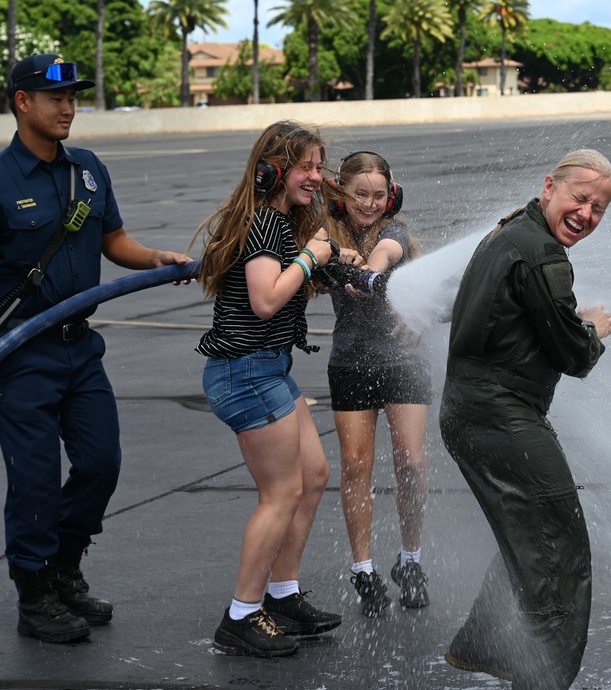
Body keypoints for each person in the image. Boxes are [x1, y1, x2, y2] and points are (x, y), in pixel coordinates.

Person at [0, 54, 192, 644]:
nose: (68, 107)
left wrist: (155, 257)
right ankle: (35, 595)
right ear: (22, 103)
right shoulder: (2, 180)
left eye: (74, 97)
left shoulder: (87, 169)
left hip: (81, 349)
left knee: (101, 463)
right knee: (34, 479)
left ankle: (64, 567)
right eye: (54, 97)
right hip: (22, 357)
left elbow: (113, 240)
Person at [438, 149, 611, 688]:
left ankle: (486, 642)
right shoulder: (542, 255)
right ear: (550, 187)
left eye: (599, 209)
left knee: (530, 536)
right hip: (498, 416)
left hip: (472, 412)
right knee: (559, 547)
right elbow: (572, 354)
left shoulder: (510, 231)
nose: (586, 214)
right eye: (580, 198)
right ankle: (542, 677)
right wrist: (593, 329)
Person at [194, 120, 357, 657]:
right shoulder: (265, 223)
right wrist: (313, 256)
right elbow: (266, 300)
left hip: (267, 368)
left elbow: (284, 288)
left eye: (318, 165)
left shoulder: (276, 223)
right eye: (305, 166)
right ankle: (241, 616)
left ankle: (282, 596)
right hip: (246, 372)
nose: (316, 176)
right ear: (273, 171)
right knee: (281, 492)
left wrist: (330, 264)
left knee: (313, 476)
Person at [323, 151, 431, 617]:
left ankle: (411, 561)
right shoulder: (326, 238)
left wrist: (370, 270)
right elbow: (318, 260)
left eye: (379, 195)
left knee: (412, 459)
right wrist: (337, 259)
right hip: (350, 363)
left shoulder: (396, 232)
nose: (370, 203)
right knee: (355, 466)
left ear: (392, 197)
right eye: (360, 194)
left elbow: (387, 254)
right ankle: (364, 570)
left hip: (403, 361)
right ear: (342, 195)